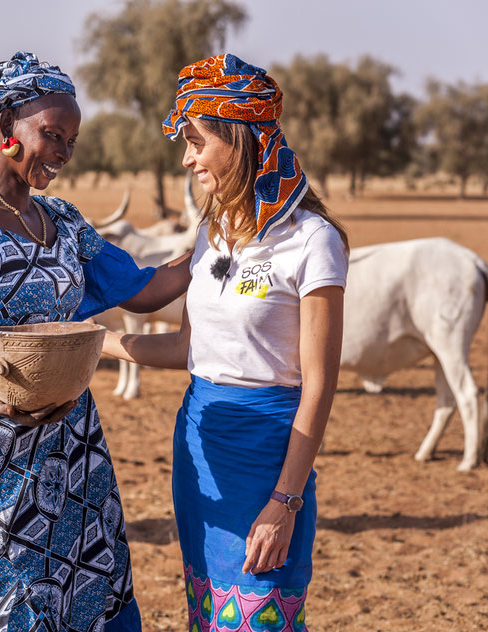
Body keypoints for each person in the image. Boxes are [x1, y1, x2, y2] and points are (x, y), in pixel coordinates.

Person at [0, 52, 191, 631]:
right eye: (50, 134)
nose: (60, 153)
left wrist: (221, 247)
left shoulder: (65, 222)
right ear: (7, 128)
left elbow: (144, 290)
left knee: (89, 592)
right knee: (8, 605)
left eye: (70, 141)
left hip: (72, 453)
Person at [101, 54, 349, 631]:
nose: (187, 158)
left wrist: (284, 502)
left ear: (240, 141)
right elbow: (193, 349)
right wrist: (97, 343)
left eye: (196, 141)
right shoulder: (213, 234)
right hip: (199, 449)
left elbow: (320, 385)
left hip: (268, 456)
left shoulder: (313, 242)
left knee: (262, 612)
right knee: (209, 614)